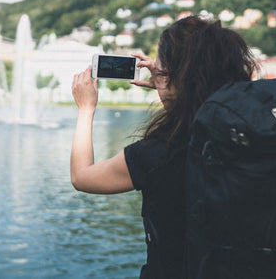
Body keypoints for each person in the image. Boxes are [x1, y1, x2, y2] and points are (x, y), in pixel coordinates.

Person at [70, 15, 258, 278]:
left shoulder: (160, 153)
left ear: (171, 78)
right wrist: (167, 85)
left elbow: (82, 176)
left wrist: (86, 108)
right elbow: (200, 105)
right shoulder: (250, 134)